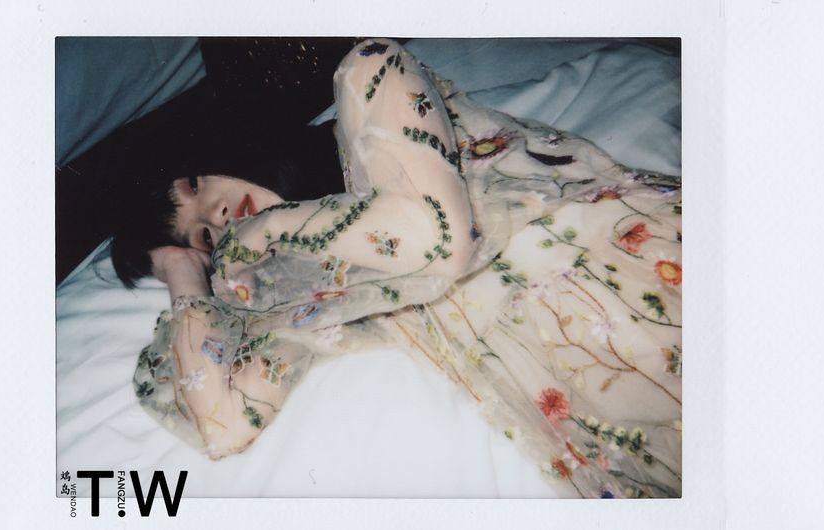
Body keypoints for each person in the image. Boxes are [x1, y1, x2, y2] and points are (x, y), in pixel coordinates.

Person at [117, 38, 682, 499]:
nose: (217, 215)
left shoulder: (367, 76)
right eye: (202, 234)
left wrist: (256, 233)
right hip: (624, 418)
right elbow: (223, 424)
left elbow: (434, 239)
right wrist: (185, 274)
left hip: (653, 274)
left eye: (195, 185)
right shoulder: (292, 286)